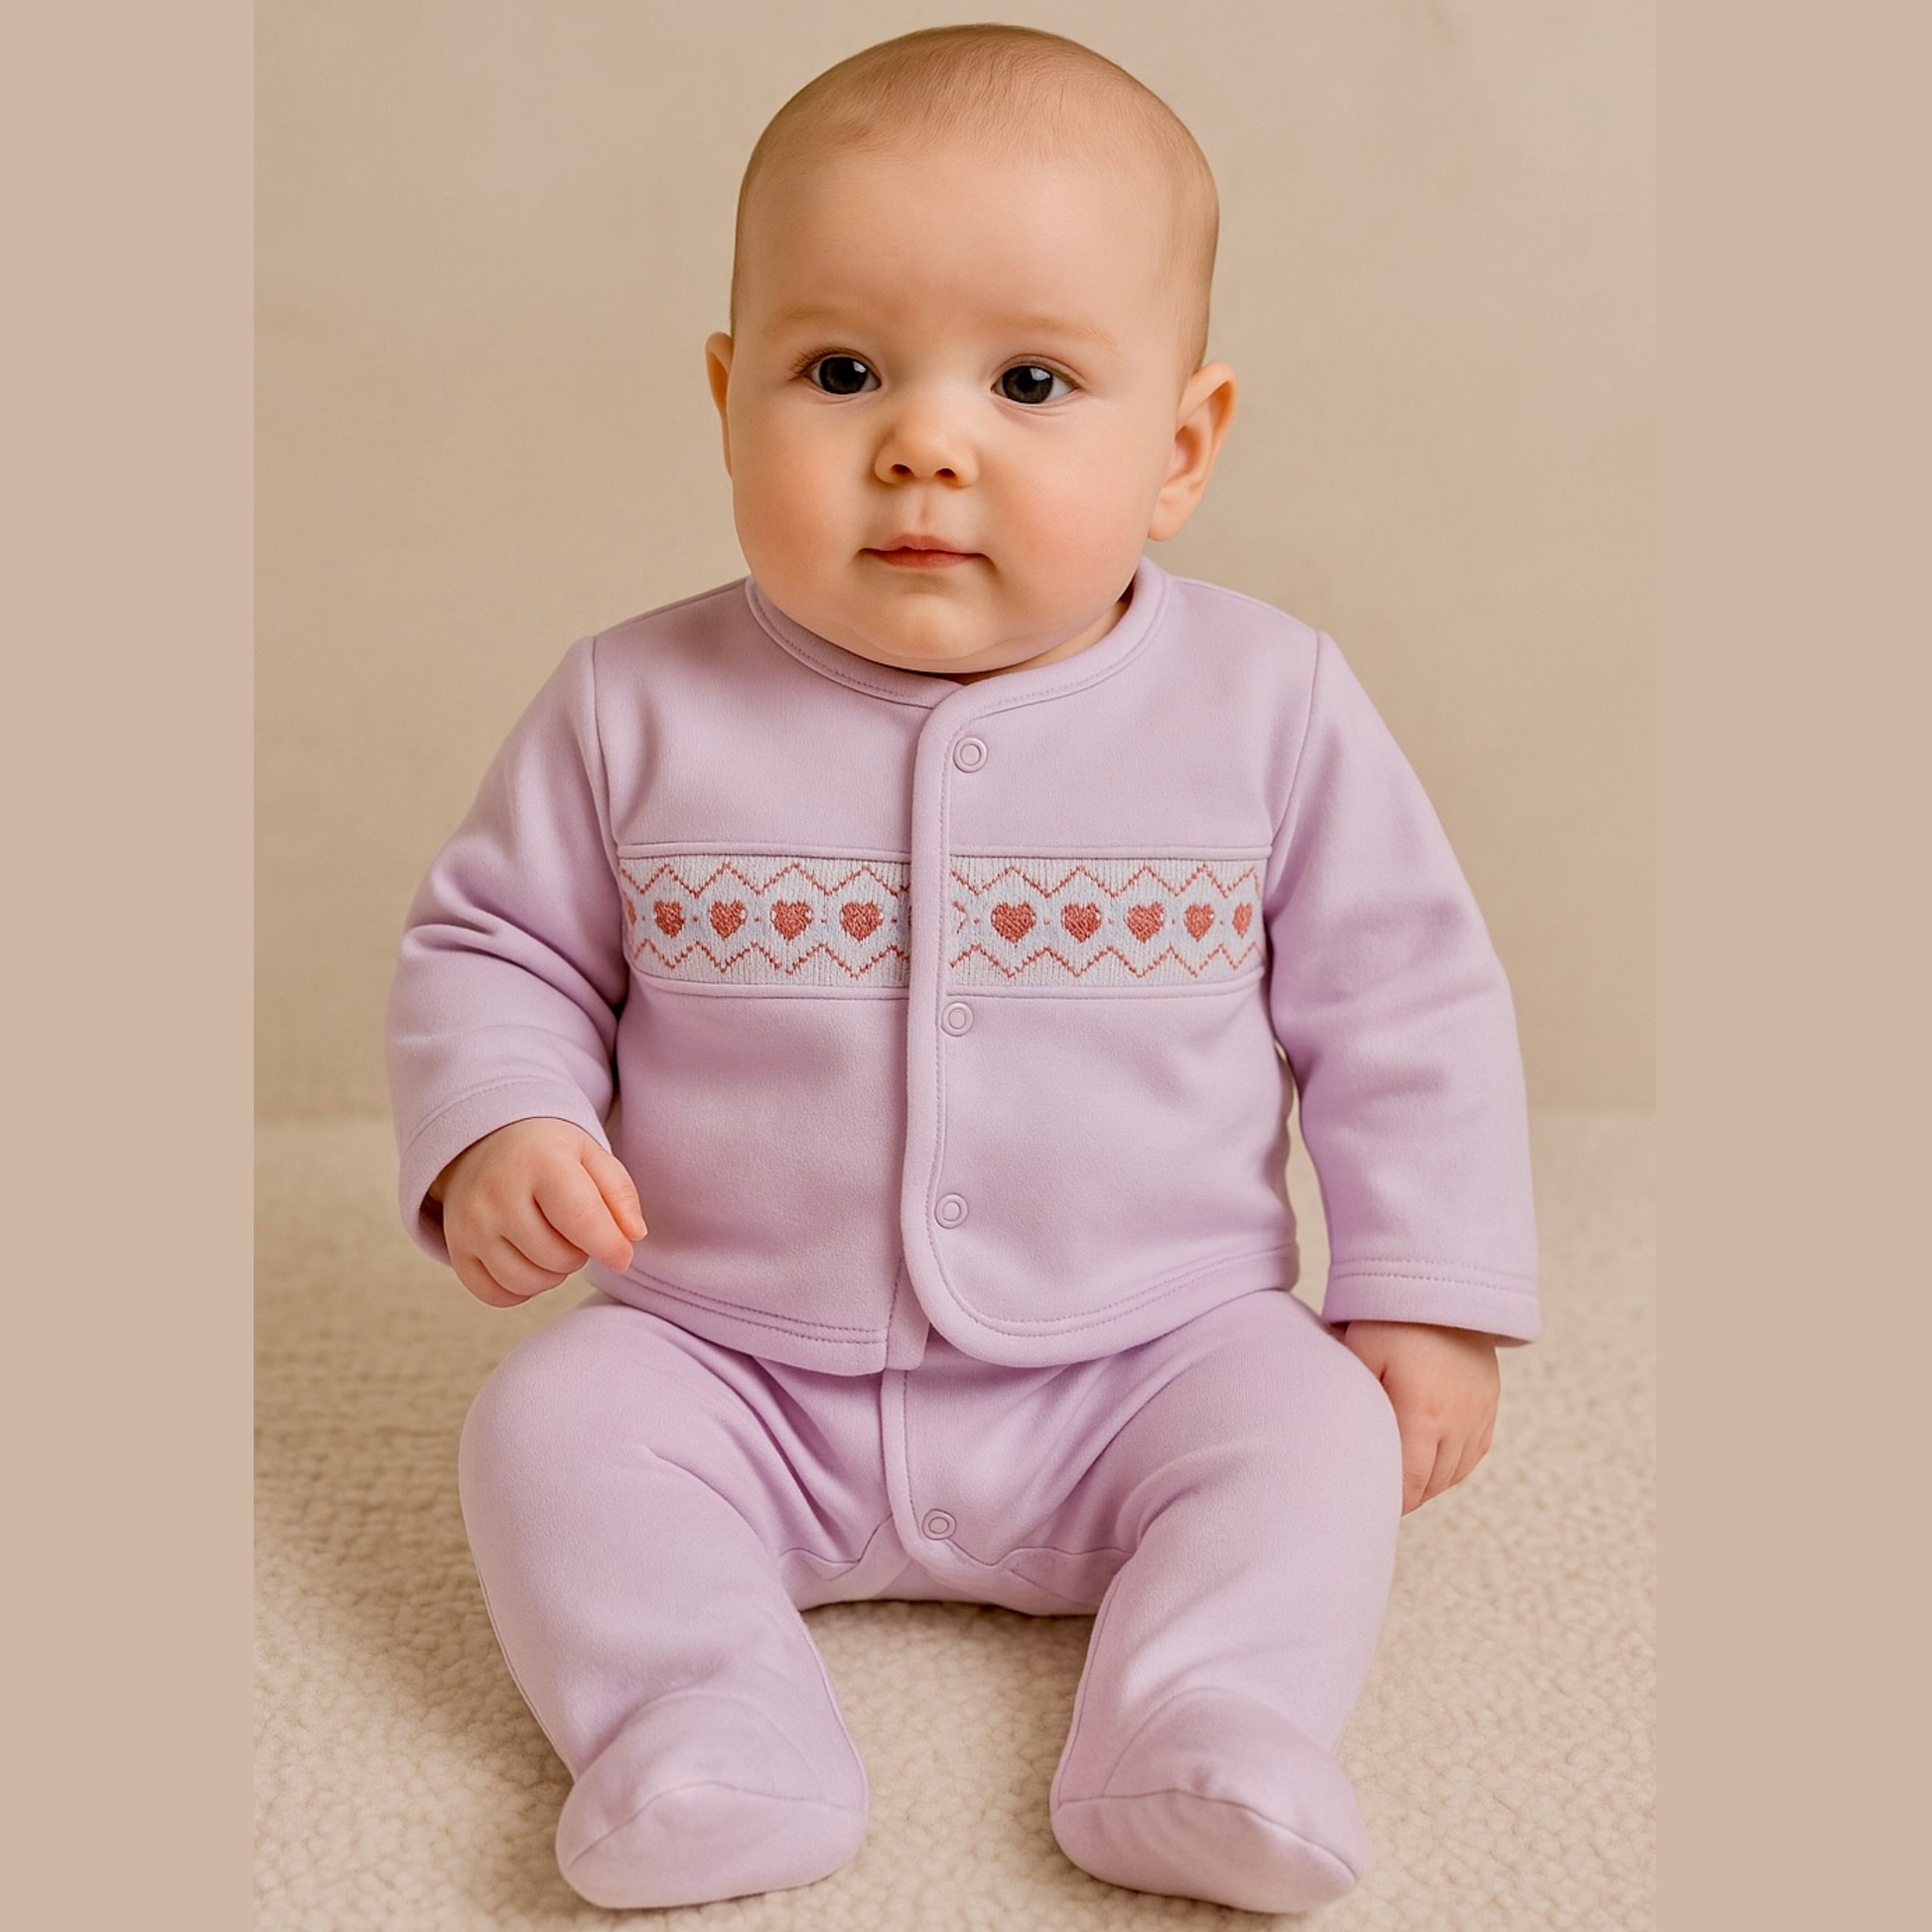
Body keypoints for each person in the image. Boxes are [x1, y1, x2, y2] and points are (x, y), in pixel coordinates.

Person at [385, 22, 1539, 1915]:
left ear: (1178, 446)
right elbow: (495, 943)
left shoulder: (1269, 707)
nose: (924, 438)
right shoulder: (631, 703)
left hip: (1140, 1354)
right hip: (732, 1353)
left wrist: (1423, 1293)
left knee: (1306, 1429)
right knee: (551, 1427)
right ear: (725, 393)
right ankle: (702, 1714)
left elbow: (1403, 1005)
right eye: (837, 369)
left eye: (1031, 379)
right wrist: (498, 1116)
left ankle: (1204, 1721)